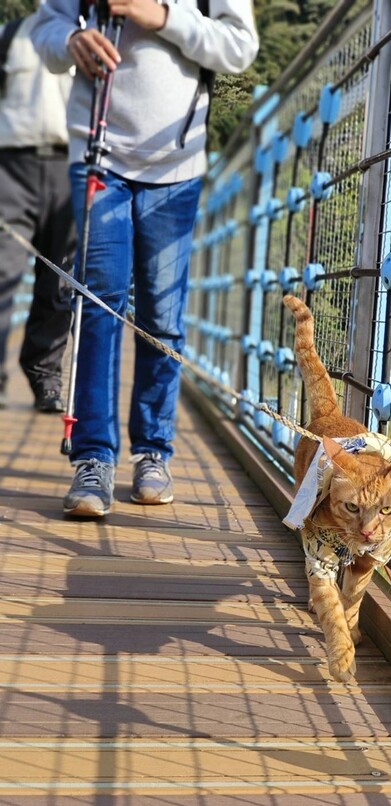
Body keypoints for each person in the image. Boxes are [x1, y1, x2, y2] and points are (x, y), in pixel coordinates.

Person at [31, 0, 258, 517]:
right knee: (98, 307)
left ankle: (152, 453)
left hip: (176, 169)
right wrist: (69, 41)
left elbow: (239, 46)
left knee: (161, 314)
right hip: (98, 158)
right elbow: (47, 27)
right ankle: (93, 459)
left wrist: (163, 16)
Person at [0, 12, 75, 413]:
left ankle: (45, 377)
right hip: (11, 166)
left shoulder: (97, 31)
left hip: (70, 166)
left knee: (58, 280)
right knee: (2, 271)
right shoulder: (11, 36)